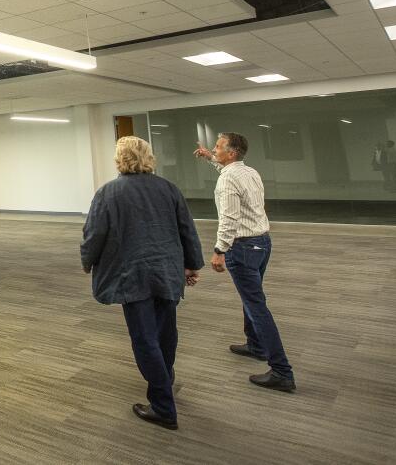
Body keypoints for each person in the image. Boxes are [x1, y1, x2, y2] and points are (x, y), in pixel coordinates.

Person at [81, 136, 203, 430]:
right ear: (149, 157)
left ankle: (162, 406)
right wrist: (191, 263)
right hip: (166, 272)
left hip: (132, 276)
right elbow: (187, 228)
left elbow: (94, 234)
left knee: (145, 339)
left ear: (119, 158)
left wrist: (88, 261)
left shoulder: (108, 193)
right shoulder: (168, 188)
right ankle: (166, 378)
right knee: (166, 333)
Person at [194, 133, 296, 392]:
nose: (213, 150)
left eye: (217, 147)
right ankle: (255, 345)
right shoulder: (249, 172)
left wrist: (219, 250)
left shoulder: (228, 179)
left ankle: (282, 371)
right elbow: (227, 173)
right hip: (262, 243)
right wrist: (209, 159)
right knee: (250, 297)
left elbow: (229, 218)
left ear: (232, 153)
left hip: (242, 247)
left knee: (256, 305)